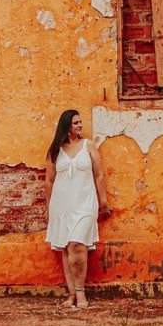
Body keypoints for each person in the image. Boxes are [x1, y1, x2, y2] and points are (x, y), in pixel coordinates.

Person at [44, 109, 110, 309]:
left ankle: (80, 292)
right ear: (66, 126)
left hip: (84, 203)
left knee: (77, 245)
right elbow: (49, 180)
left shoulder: (88, 146)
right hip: (61, 205)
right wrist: (48, 209)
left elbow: (98, 175)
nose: (80, 125)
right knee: (66, 248)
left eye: (80, 122)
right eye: (76, 123)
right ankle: (71, 294)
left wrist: (103, 201)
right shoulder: (55, 150)